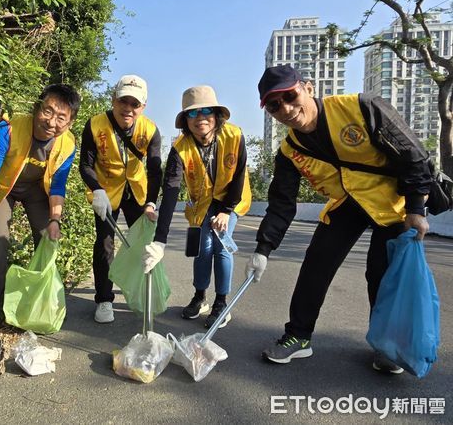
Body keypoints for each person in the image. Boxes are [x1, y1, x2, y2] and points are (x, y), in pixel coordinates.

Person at [246, 65, 432, 373]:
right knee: (317, 262)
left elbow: (413, 153)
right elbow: (282, 202)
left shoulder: (361, 107)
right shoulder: (290, 150)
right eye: (274, 106)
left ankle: (387, 346)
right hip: (348, 202)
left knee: (381, 273)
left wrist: (415, 208)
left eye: (290, 96)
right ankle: (298, 336)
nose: (287, 109)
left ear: (308, 87)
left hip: (392, 201)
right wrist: (262, 249)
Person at [0, 84, 81, 323]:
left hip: (37, 192)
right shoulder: (7, 130)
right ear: (36, 107)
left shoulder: (67, 144)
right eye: (47, 112)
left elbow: (58, 186)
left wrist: (55, 220)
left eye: (61, 118)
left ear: (70, 123)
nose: (51, 122)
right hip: (2, 189)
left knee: (46, 237)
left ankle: (37, 298)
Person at [142, 85, 251, 329]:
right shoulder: (180, 148)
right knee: (203, 247)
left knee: (220, 244)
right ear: (185, 121)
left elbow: (240, 175)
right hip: (201, 204)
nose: (200, 118)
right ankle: (200, 297)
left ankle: (221, 303)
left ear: (216, 115)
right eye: (192, 113)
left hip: (231, 199)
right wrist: (160, 240)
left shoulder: (234, 136)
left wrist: (225, 211)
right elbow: (170, 192)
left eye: (206, 111)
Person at [79, 74, 162, 323]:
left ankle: (140, 292)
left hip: (136, 189)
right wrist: (97, 190)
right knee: (104, 242)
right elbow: (86, 164)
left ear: (143, 107)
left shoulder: (150, 130)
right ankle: (104, 299)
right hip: (105, 191)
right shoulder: (95, 125)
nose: (128, 109)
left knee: (143, 245)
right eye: (123, 101)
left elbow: (155, 170)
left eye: (135, 104)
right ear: (114, 100)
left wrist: (151, 202)